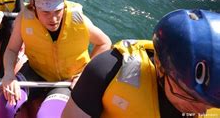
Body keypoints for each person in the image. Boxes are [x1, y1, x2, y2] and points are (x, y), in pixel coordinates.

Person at [62, 9, 220, 118]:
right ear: (160, 67)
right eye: (189, 96)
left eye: (211, 103)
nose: (202, 110)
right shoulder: (106, 70)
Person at [0, 0, 112, 118]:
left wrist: (84, 73)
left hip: (66, 81)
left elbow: (104, 42)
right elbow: (11, 49)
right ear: (34, 8)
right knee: (6, 107)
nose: (53, 19)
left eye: (58, 11)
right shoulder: (24, 18)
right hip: (35, 71)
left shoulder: (78, 20)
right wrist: (8, 75)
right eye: (46, 12)